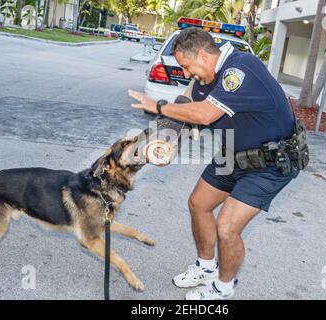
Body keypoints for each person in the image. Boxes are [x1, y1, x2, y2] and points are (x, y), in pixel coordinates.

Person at [129, 27, 300, 300]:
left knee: (227, 227)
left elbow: (205, 114)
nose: (186, 74)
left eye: (186, 67)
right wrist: (162, 140)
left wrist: (158, 105)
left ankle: (223, 288)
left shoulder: (241, 69)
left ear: (202, 55)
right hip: (232, 153)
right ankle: (206, 267)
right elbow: (185, 109)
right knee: (199, 204)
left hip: (271, 162)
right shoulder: (202, 80)